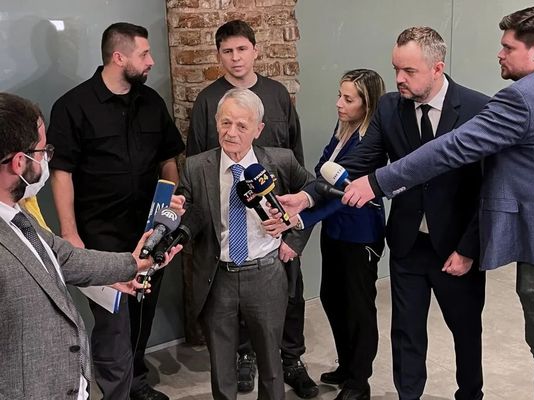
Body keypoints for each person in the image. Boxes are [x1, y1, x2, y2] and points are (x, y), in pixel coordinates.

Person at [341, 7, 534, 400]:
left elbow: (453, 148)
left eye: (508, 47)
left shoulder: (522, 98)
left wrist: (378, 182)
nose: (499, 53)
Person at [279, 27, 489, 400]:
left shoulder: (477, 108)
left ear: (437, 68)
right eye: (395, 69)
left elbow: (488, 189)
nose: (399, 79)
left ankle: (470, 394)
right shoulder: (390, 108)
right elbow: (357, 162)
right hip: (408, 243)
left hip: (457, 246)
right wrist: (308, 197)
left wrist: (469, 248)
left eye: (409, 71)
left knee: (466, 330)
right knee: (406, 333)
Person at [0, 92, 181, 399]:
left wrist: (134, 264)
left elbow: (64, 258)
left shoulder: (20, 217)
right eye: (43, 152)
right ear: (20, 162)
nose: (46, 160)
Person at [47, 23, 185, 400]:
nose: (151, 61)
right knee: (113, 323)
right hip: (100, 237)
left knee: (143, 310)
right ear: (119, 57)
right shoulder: (73, 106)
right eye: (144, 54)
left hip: (150, 233)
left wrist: (172, 201)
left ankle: (136, 382)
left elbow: (168, 159)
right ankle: (116, 393)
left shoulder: (151, 102)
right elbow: (61, 173)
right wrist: (70, 234)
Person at [186, 19, 316, 397]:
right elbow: (194, 191)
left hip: (268, 257)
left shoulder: (277, 105)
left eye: (242, 48)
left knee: (275, 345)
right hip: (221, 263)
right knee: (223, 357)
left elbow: (305, 187)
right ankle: (244, 359)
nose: (232, 133)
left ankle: (290, 360)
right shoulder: (205, 118)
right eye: (225, 124)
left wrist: (293, 232)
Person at [281, 69, 386, 399]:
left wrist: (301, 218)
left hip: (360, 235)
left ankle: (359, 381)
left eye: (348, 99)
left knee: (358, 307)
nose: (339, 103)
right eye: (339, 95)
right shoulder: (343, 131)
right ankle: (347, 364)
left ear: (367, 104)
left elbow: (342, 195)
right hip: (336, 232)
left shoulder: (371, 143)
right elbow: (322, 174)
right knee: (332, 298)